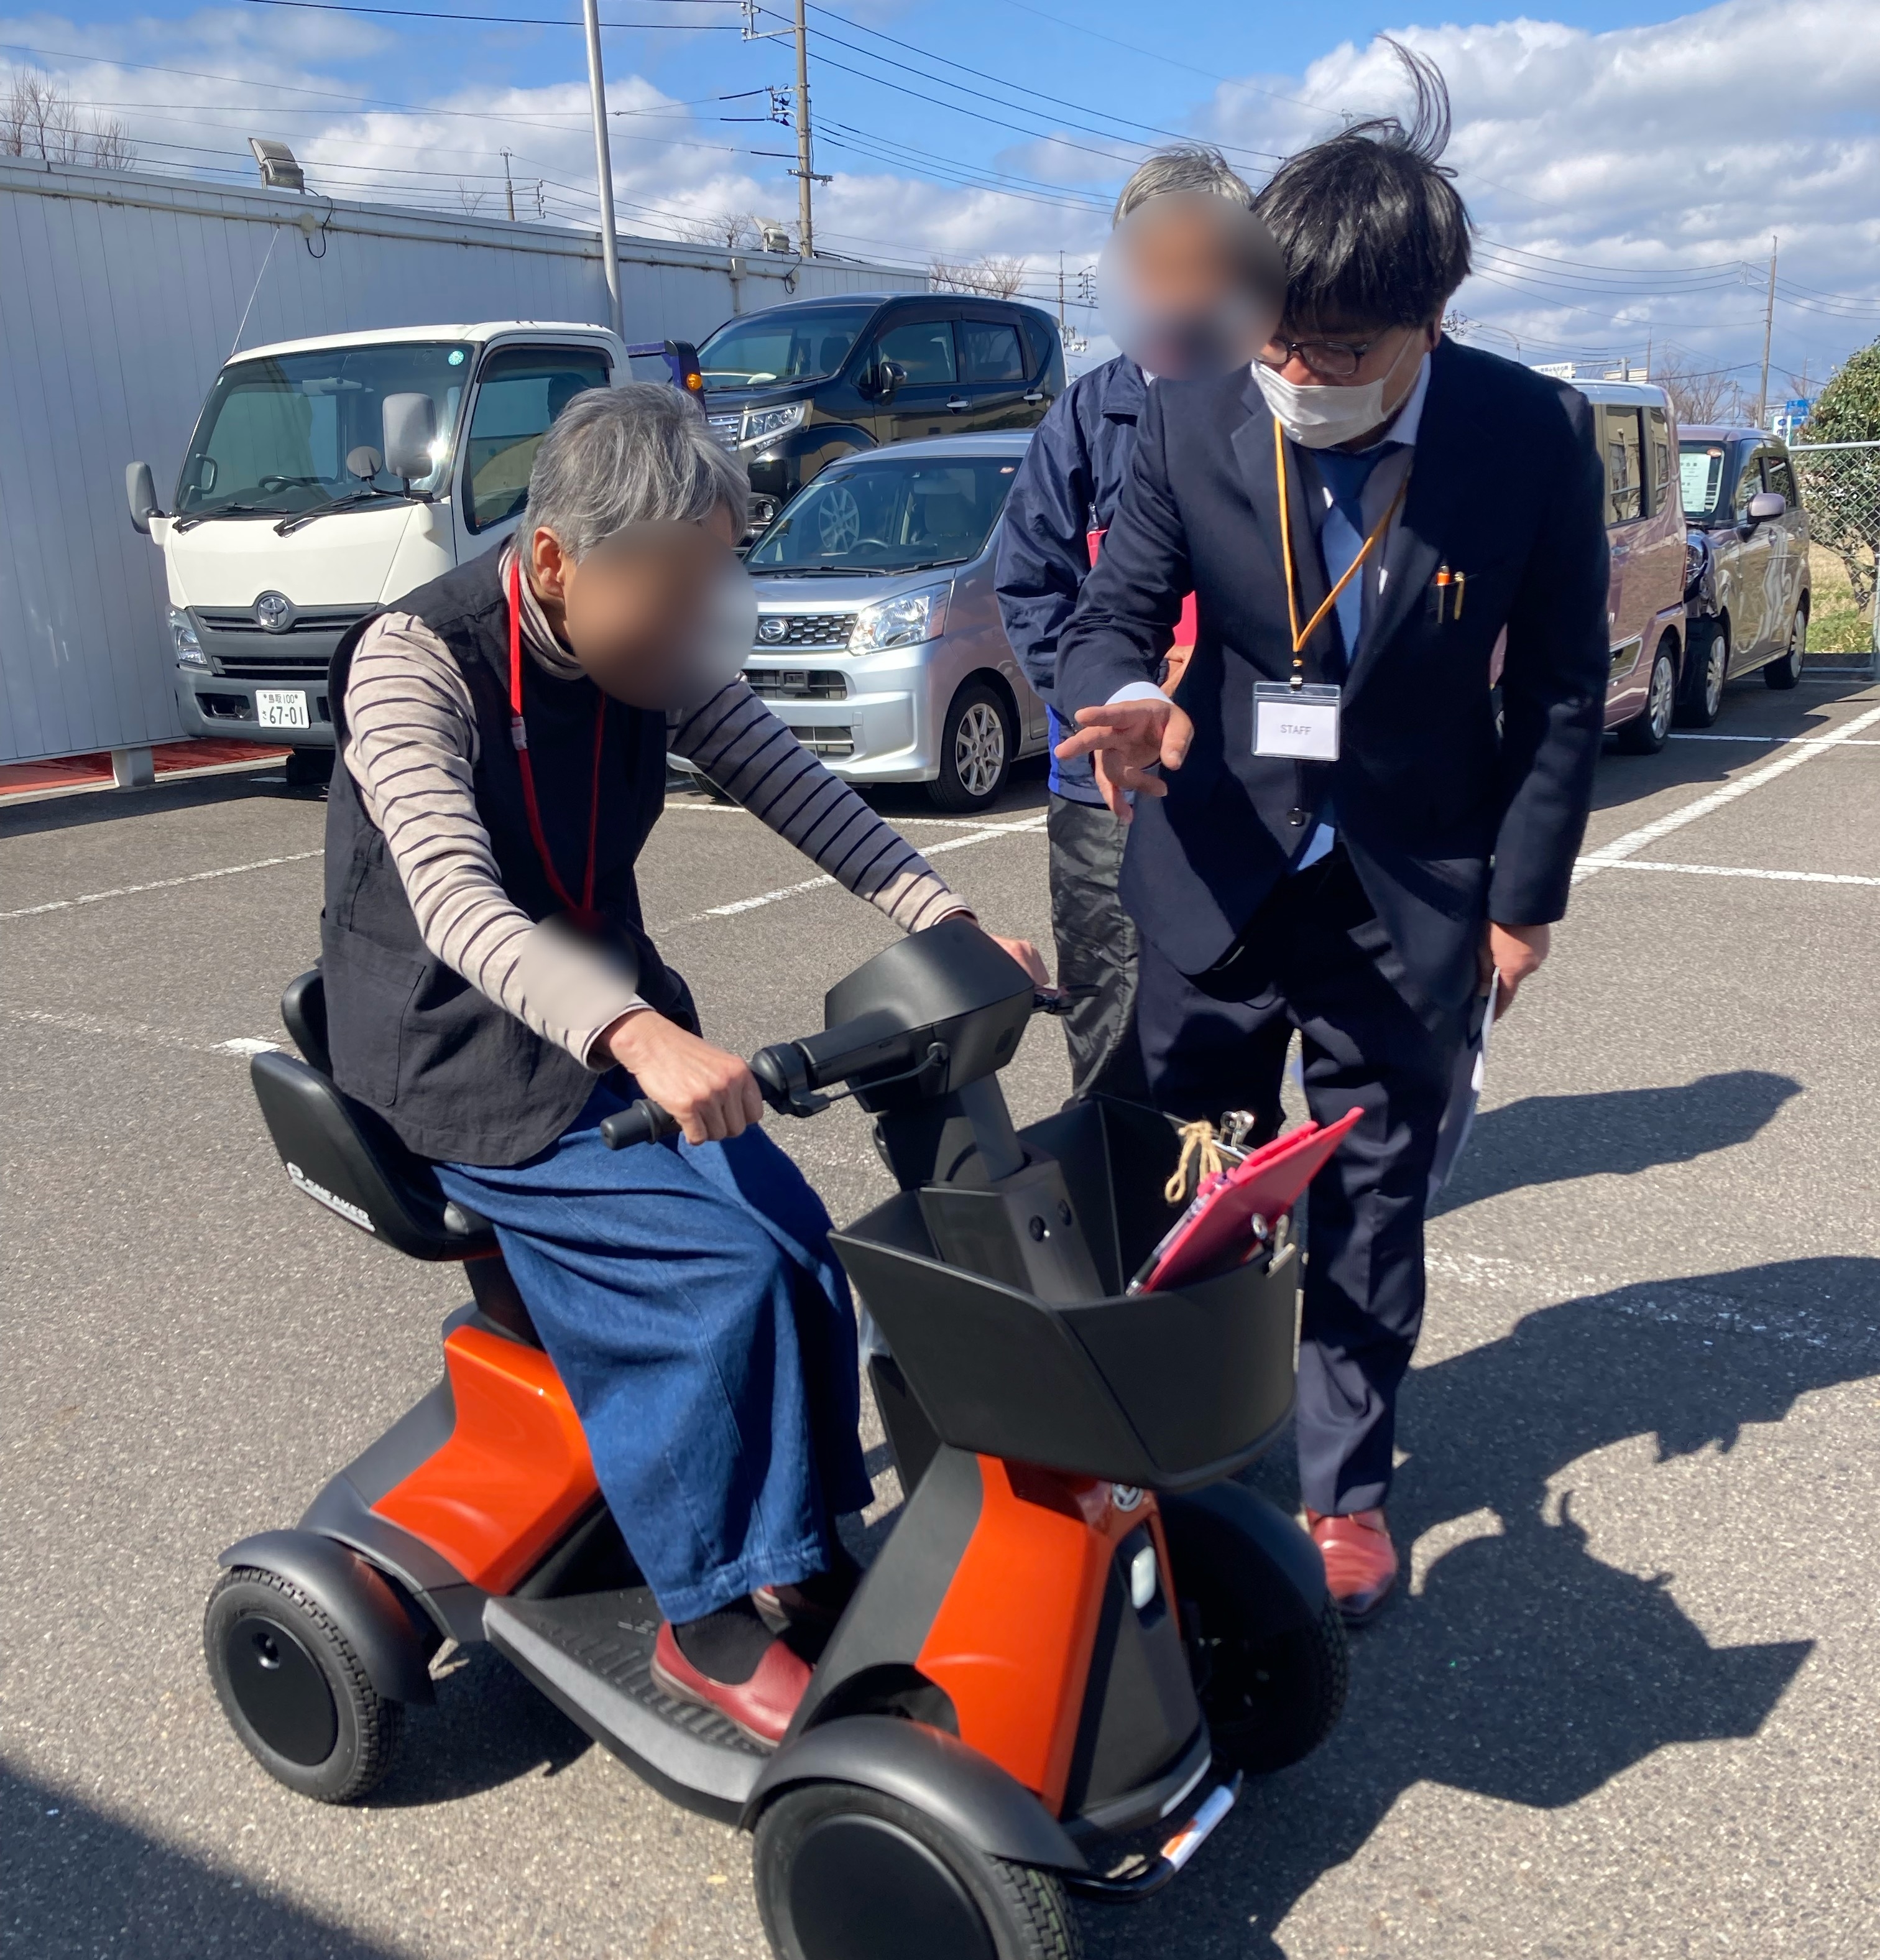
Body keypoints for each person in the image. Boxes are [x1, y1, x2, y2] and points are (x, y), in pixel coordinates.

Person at [321, 382, 1046, 1742]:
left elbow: (801, 789)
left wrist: (947, 922)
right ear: (555, 561)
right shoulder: (415, 662)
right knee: (714, 1282)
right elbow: (455, 901)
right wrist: (636, 1034)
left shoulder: (651, 651)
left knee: (803, 1241)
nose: (695, 627)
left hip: (605, 1014)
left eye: (715, 587)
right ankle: (708, 1621)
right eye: (672, 597)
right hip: (454, 1041)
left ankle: (803, 1557)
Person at [1054, 47, 1609, 1623]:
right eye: (1277, 332)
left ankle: (1343, 1490)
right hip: (1217, 857)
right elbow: (1109, 614)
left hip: (1409, 880)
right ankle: (1181, 1452)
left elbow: (1562, 689)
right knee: (1192, 1174)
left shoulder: (1530, 435)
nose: (1298, 369)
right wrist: (1120, 699)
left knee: (1373, 1191)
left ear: (1433, 317)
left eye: (1341, 346)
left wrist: (1523, 903)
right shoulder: (1194, 406)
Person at [996, 146, 1286, 1122]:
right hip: (1107, 793)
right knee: (1112, 1027)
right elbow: (1031, 584)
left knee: (1242, 1026)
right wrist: (1109, 710)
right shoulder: (1090, 413)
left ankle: (1231, 1197)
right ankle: (1121, 1199)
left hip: (1255, 782)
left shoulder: (1286, 399)